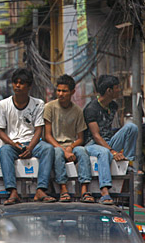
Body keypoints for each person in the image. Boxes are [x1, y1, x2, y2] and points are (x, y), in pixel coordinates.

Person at [0, 68, 56, 205]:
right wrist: (13, 143)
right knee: (3, 151)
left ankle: (41, 189)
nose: (17, 86)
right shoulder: (3, 105)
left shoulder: (38, 104)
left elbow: (39, 129)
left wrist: (30, 147)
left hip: (33, 142)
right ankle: (13, 191)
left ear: (29, 86)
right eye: (15, 82)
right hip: (13, 144)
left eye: (21, 83)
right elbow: (0, 132)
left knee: (48, 149)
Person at [83, 75, 139, 205]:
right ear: (109, 91)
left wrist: (115, 148)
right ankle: (105, 191)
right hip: (92, 144)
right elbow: (96, 136)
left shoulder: (113, 106)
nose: (119, 90)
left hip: (109, 141)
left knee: (132, 127)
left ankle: (128, 163)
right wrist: (113, 151)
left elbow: (115, 128)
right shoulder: (91, 108)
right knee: (104, 153)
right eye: (117, 88)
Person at [44, 74, 94, 203]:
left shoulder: (78, 111)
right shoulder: (49, 107)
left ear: (72, 92)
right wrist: (64, 150)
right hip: (55, 145)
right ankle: (63, 188)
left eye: (64, 91)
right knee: (57, 152)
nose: (61, 94)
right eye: (58, 90)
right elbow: (47, 135)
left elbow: (80, 138)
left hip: (71, 146)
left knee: (83, 151)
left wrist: (70, 148)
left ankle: (85, 189)